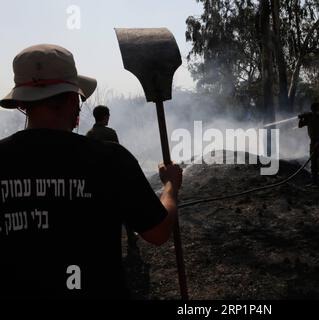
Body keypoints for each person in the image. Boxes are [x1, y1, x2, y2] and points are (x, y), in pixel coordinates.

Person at [0, 44, 182, 300]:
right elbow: (158, 232)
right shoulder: (110, 159)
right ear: (74, 98)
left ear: (21, 103)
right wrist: (171, 186)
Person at [85, 105, 138, 252]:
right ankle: (131, 237)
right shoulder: (110, 133)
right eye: (108, 115)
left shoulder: (89, 134)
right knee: (124, 206)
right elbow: (118, 154)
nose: (109, 118)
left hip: (96, 179)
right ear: (105, 116)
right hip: (113, 176)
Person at [298, 102, 319, 185]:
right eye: (314, 109)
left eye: (315, 109)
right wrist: (301, 118)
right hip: (313, 143)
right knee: (313, 163)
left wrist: (318, 142)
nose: (314, 111)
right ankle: (314, 181)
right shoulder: (309, 118)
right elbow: (300, 125)